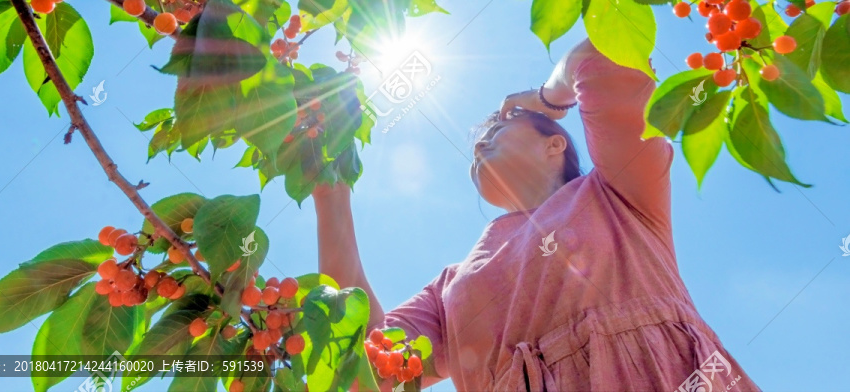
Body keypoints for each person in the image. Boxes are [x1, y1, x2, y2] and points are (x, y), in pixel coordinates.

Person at [312, 38, 761, 391]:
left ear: (555, 142)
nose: (479, 145)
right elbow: (368, 367)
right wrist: (331, 193)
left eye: (499, 127)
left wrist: (550, 96)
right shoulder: (451, 287)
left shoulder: (619, 191)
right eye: (477, 142)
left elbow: (610, 52)